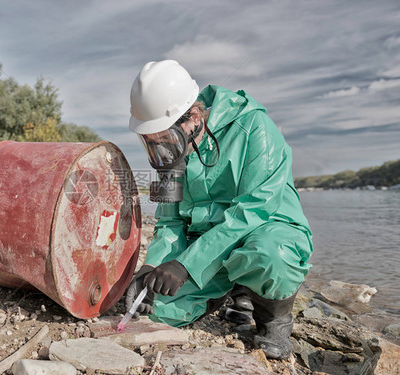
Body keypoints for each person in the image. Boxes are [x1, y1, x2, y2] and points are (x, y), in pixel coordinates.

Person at [125, 60, 313, 360]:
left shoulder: (253, 127)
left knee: (270, 257)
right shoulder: (171, 155)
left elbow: (253, 212)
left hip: (265, 231)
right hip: (204, 246)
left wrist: (186, 265)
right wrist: (154, 266)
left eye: (165, 138)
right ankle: (227, 291)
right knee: (155, 310)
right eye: (152, 142)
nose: (161, 149)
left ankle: (273, 319)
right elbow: (169, 222)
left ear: (194, 117)